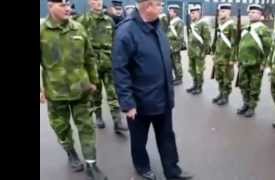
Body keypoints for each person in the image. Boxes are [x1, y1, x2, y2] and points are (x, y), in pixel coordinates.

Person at [112, 0, 193, 179]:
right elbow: (120, 70)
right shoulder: (126, 32)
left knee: (167, 137)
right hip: (140, 101)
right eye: (159, 4)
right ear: (148, 6)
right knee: (139, 140)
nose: (162, 6)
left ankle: (173, 171)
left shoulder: (157, 25)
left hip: (162, 97)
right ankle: (142, 166)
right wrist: (127, 103)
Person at [40, 0, 108, 180]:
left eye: (68, 5)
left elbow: (90, 57)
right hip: (55, 93)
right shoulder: (42, 32)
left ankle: (92, 164)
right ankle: (71, 153)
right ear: (50, 6)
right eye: (62, 5)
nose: (67, 8)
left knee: (86, 127)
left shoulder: (78, 28)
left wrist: (94, 81)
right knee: (61, 128)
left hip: (81, 90)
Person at [77, 0, 128, 133]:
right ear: (89, 3)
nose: (98, 2)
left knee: (113, 93)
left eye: (100, 0)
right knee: (95, 93)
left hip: (108, 63)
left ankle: (117, 122)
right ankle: (98, 117)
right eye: (95, 0)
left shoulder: (109, 21)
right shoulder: (82, 21)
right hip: (92, 65)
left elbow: (115, 41)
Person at [237, 4, 272, 118]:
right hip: (243, 62)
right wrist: (239, 59)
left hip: (255, 64)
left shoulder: (263, 29)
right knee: (243, 84)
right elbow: (241, 45)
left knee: (254, 87)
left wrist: (264, 64)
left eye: (254, 12)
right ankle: (245, 104)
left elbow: (268, 48)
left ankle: (252, 107)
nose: (251, 14)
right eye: (250, 12)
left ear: (260, 15)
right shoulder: (246, 28)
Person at [211, 3, 237, 106]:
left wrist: (232, 59)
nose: (221, 13)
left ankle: (225, 96)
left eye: (223, 11)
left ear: (229, 12)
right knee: (219, 77)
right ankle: (221, 93)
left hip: (227, 59)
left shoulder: (232, 26)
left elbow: (234, 44)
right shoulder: (220, 25)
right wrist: (214, 53)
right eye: (220, 11)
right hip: (218, 57)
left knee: (226, 79)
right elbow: (216, 41)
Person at [186, 4, 211, 95]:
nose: (192, 15)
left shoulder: (203, 24)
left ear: (199, 13)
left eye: (194, 13)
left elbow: (207, 39)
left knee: (199, 71)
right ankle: (194, 85)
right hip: (192, 52)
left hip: (199, 53)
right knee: (192, 70)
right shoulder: (192, 24)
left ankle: (199, 87)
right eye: (191, 13)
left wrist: (204, 51)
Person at [167, 4, 185, 85]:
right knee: (171, 63)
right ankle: (174, 77)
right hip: (169, 46)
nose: (169, 13)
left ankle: (179, 78)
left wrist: (176, 47)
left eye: (171, 11)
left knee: (176, 63)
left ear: (175, 12)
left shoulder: (179, 22)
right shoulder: (170, 21)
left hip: (175, 47)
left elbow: (180, 37)